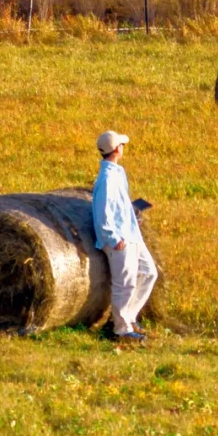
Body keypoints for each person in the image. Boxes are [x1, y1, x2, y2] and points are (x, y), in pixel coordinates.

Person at [91, 130, 157, 344]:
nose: (123, 147)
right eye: (121, 144)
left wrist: (133, 213)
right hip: (120, 238)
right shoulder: (107, 179)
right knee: (124, 283)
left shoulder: (118, 172)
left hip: (131, 233)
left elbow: (119, 205)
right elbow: (102, 211)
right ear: (117, 149)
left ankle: (128, 317)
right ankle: (120, 330)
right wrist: (112, 238)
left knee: (148, 272)